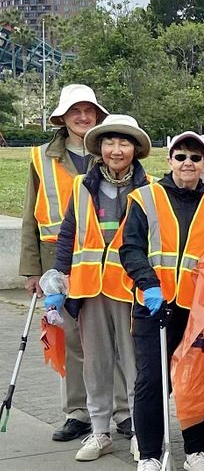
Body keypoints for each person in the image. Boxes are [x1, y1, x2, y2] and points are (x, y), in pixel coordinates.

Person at [120, 131, 204, 471]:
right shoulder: (145, 198)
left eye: (195, 158)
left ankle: (195, 450)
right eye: (181, 156)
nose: (187, 163)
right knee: (152, 380)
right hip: (155, 306)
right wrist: (149, 284)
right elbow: (131, 248)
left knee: (194, 379)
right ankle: (150, 454)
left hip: (198, 310)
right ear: (170, 160)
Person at [49, 113, 150, 462]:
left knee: (136, 365)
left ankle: (141, 432)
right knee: (96, 365)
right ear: (100, 148)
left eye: (124, 142)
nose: (116, 149)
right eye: (109, 142)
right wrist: (58, 275)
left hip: (130, 290)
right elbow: (67, 233)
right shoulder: (83, 185)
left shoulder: (150, 188)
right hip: (89, 289)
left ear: (135, 149)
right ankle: (99, 431)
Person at [20, 84, 115, 443]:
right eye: (75, 111)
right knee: (70, 339)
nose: (82, 116)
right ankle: (78, 413)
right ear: (62, 117)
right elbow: (30, 216)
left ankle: (120, 412)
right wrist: (32, 271)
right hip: (56, 264)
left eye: (88, 110)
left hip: (104, 263)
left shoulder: (109, 150)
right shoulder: (41, 156)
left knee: (110, 340)